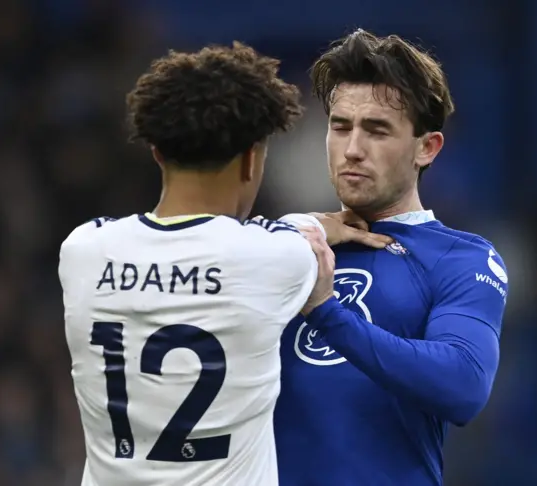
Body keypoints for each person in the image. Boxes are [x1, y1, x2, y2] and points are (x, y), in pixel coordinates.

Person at [58, 42, 389, 486]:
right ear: (252, 159)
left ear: (156, 151)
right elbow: (298, 237)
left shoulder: (82, 251)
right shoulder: (278, 257)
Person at [274, 29, 509, 486]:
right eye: (340, 127)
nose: (353, 149)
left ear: (427, 147)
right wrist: (295, 232)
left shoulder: (460, 258)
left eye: (377, 130)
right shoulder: (286, 243)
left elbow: (464, 386)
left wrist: (326, 313)